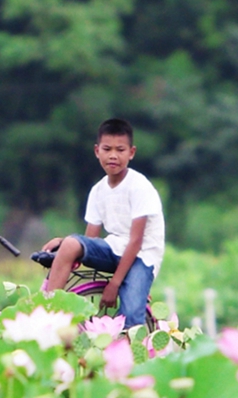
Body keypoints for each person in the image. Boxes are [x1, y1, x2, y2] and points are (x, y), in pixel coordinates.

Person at [41, 119, 162, 327]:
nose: (113, 155)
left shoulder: (139, 186)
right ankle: (49, 314)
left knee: (132, 317)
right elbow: (91, 241)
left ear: (131, 153)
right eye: (107, 149)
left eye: (120, 150)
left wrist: (114, 284)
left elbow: (135, 242)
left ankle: (130, 356)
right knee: (71, 244)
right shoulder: (98, 191)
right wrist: (66, 243)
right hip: (114, 248)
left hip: (142, 255)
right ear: (97, 151)